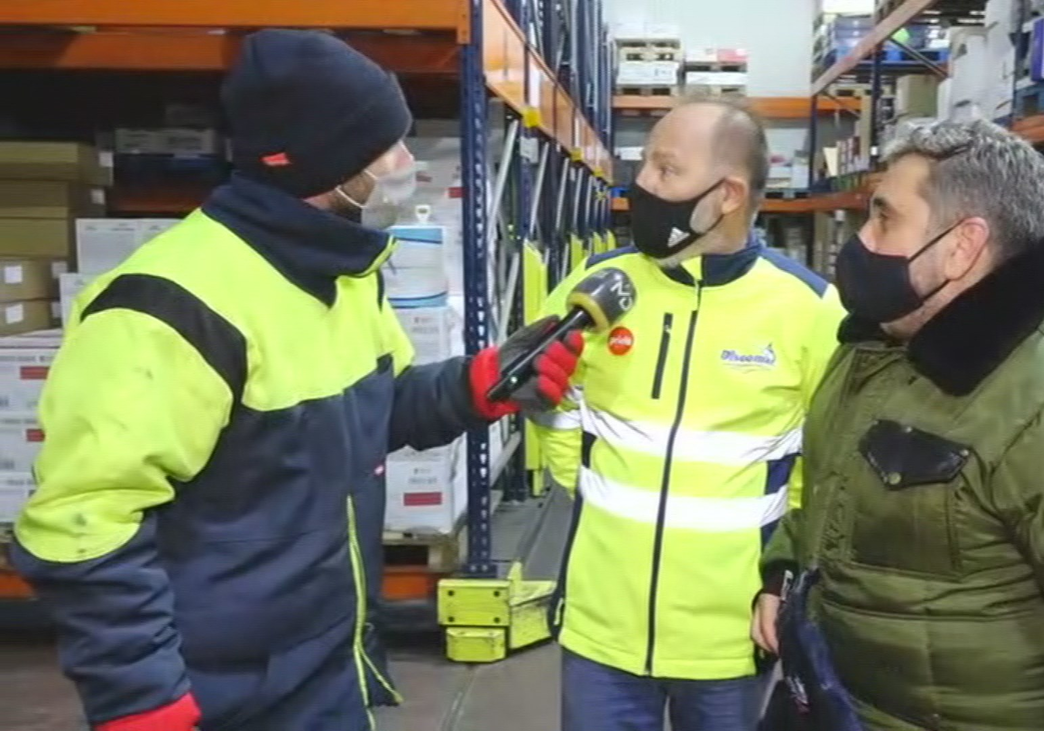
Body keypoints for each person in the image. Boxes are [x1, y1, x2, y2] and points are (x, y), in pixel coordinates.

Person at [10, 30, 582, 731]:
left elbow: (378, 405)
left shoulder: (336, 274)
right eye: (388, 148)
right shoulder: (169, 305)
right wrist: (142, 698)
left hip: (326, 668)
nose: (406, 164)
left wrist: (482, 383)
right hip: (213, 696)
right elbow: (81, 521)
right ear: (324, 164)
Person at [754, 118, 1044, 730]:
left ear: (961, 246)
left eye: (883, 219)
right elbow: (830, 493)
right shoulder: (874, 347)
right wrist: (784, 574)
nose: (861, 241)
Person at [533, 98, 845, 731]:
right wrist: (595, 503)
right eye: (646, 163)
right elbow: (555, 409)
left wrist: (782, 578)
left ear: (726, 195)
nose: (642, 184)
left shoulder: (810, 310)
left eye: (666, 169)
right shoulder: (595, 287)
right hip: (601, 629)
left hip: (729, 638)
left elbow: (829, 464)